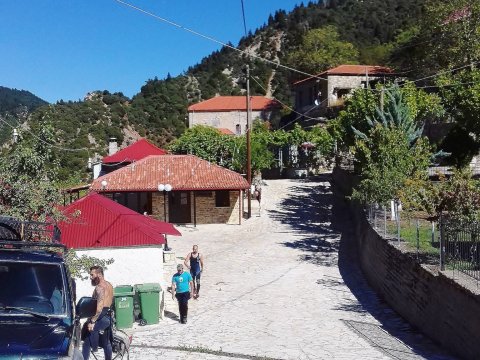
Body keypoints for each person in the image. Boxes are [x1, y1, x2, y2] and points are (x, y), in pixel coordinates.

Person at [82, 265, 114, 360]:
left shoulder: (99, 288)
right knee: (106, 342)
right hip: (109, 317)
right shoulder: (109, 285)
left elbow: (99, 307)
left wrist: (92, 321)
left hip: (101, 316)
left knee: (87, 341)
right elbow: (110, 300)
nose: (90, 277)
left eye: (92, 275)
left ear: (99, 274)